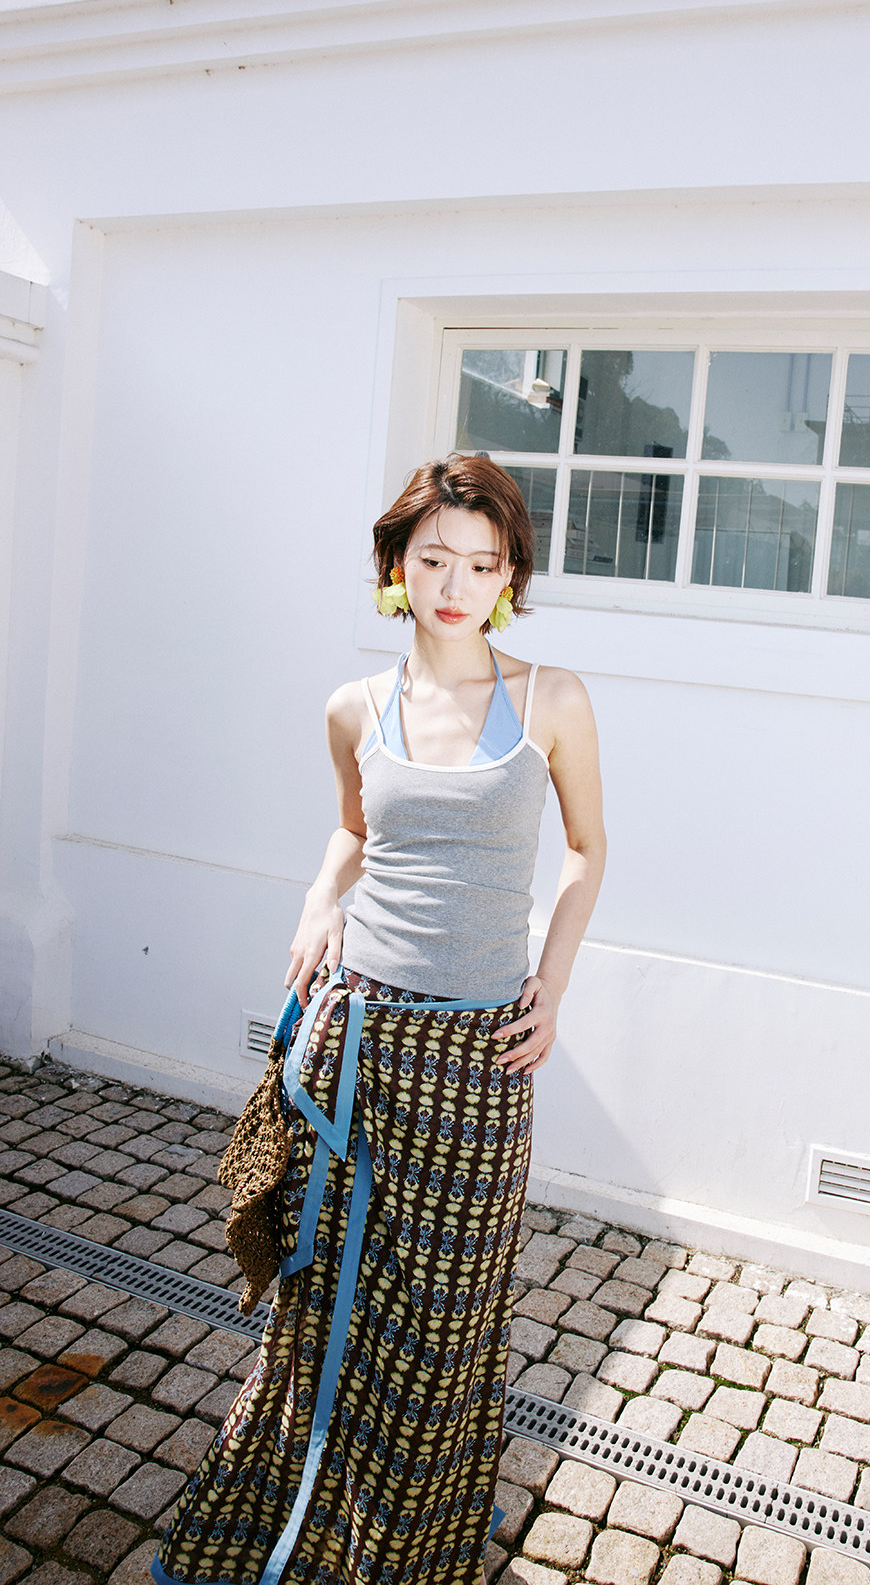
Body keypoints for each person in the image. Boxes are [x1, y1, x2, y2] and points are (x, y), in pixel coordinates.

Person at [154, 454, 606, 1585]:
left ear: (510, 577)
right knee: (326, 1304)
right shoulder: (354, 707)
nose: (458, 586)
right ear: (397, 564)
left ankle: (406, 1552)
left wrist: (553, 982)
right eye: (436, 559)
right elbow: (356, 830)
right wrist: (320, 897)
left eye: (484, 565)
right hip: (360, 1044)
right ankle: (293, 1528)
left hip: (483, 1054)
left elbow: (588, 850)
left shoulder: (551, 699)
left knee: (449, 1322)